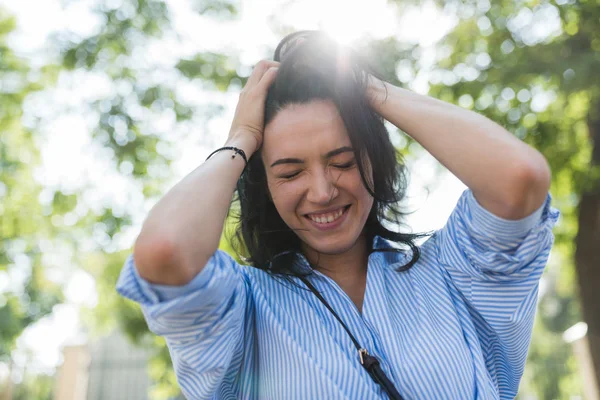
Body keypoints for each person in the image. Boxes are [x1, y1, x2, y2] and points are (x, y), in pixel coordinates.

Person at [117, 31, 559, 400]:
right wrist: (241, 138)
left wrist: (367, 90)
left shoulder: (452, 273)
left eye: (343, 161)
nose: (323, 191)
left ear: (374, 161)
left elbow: (518, 178)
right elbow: (164, 250)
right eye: (290, 172)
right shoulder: (241, 311)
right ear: (264, 186)